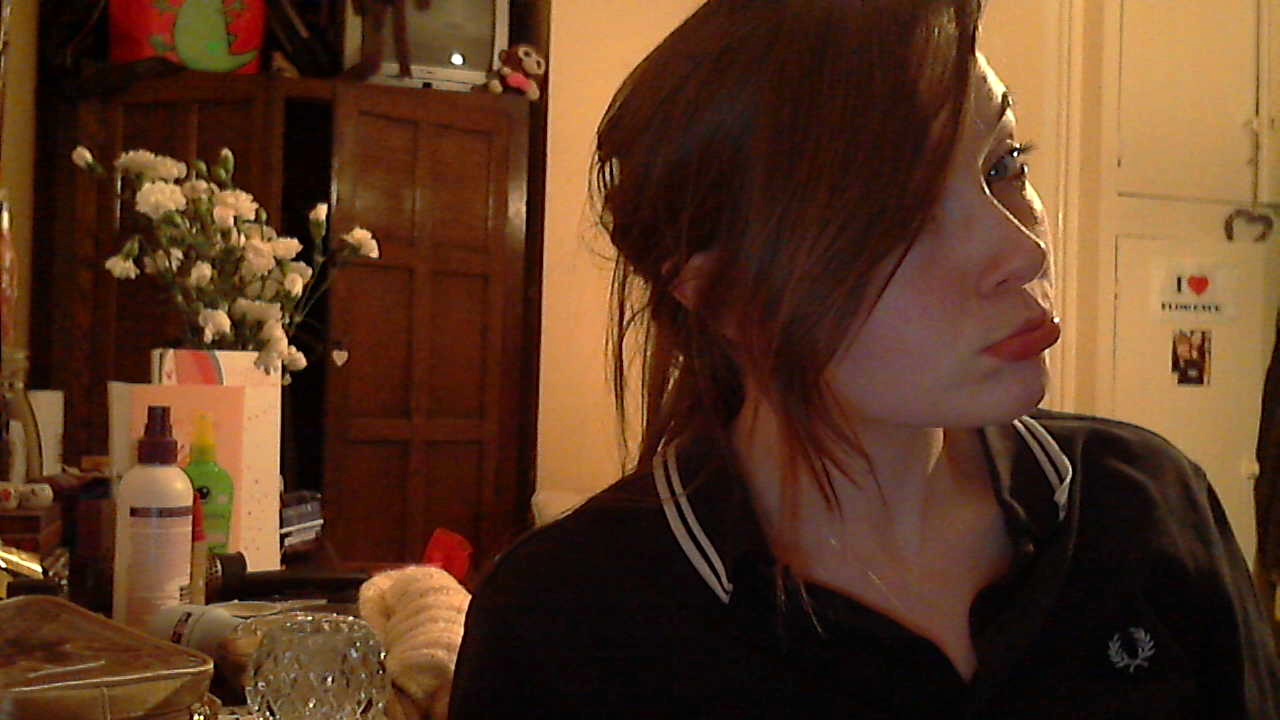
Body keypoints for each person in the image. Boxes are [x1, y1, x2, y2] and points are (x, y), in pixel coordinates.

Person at [449, 1, 1280, 717]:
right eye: (902, 215)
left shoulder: (1146, 506)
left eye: (1004, 165)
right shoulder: (567, 623)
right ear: (719, 293)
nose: (1022, 249)